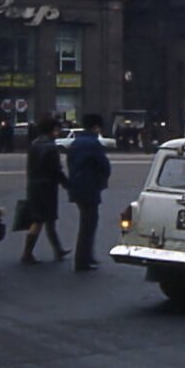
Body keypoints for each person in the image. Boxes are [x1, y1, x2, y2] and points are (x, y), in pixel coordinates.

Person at [22, 115, 72, 265]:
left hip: (34, 184)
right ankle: (28, 253)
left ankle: (58, 249)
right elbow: (56, 170)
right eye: (56, 130)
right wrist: (66, 184)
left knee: (47, 220)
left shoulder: (35, 144)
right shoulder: (50, 147)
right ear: (51, 130)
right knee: (41, 220)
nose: (57, 133)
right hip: (47, 187)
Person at [67, 113, 111, 273]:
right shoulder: (94, 143)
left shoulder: (76, 142)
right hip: (90, 186)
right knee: (89, 225)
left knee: (86, 222)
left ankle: (87, 256)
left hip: (77, 186)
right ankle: (83, 259)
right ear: (96, 126)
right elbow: (104, 166)